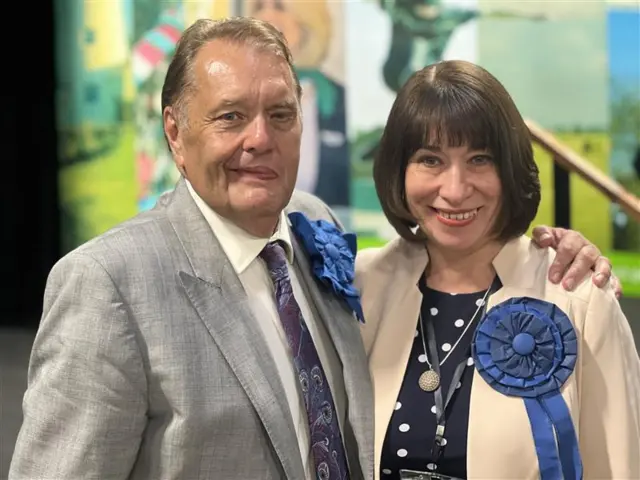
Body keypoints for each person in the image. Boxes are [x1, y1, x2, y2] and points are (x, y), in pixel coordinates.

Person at [9, 18, 617, 480]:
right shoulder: (107, 283)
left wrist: (557, 249)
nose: (260, 140)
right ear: (174, 129)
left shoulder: (314, 229)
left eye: (280, 113)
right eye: (230, 117)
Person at [355, 60, 639, 480]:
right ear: (399, 171)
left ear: (510, 168)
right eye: (430, 160)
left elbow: (619, 466)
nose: (454, 190)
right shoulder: (360, 286)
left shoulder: (578, 298)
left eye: (479, 159)